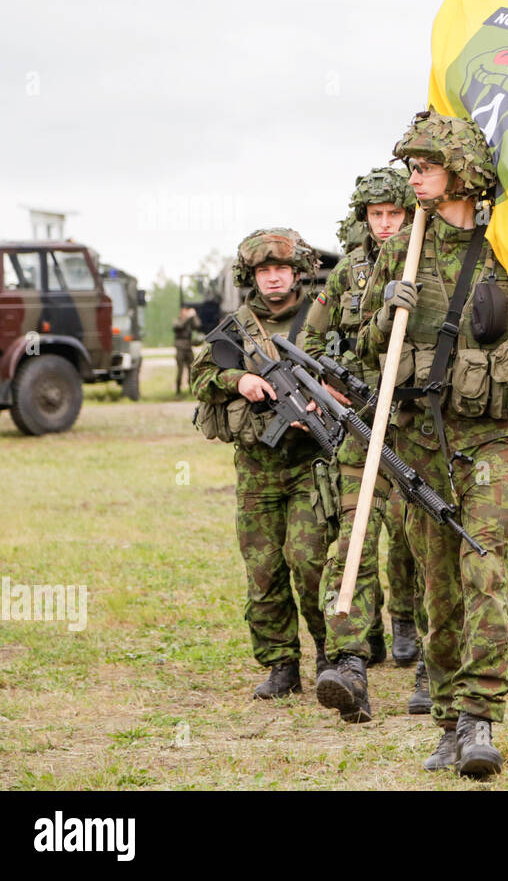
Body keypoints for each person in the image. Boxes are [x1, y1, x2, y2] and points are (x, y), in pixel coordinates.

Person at [357, 111, 508, 777]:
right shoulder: (401, 248)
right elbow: (367, 340)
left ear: (461, 173)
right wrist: (384, 312)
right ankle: (450, 718)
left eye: (425, 165)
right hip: (421, 441)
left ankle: (483, 714)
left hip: (493, 441)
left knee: (485, 572)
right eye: (410, 167)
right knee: (440, 588)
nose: (415, 176)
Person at [190, 229, 332, 700]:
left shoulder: (321, 319)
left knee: (309, 560)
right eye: (264, 271)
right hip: (256, 467)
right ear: (251, 277)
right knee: (264, 569)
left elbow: (348, 374)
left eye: (282, 270)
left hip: (310, 463)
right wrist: (240, 380)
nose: (274, 278)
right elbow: (202, 376)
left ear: (298, 273)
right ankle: (281, 665)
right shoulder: (237, 326)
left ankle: (332, 654)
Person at [303, 168, 423, 723]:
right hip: (359, 425)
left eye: (393, 214)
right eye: (375, 215)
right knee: (351, 542)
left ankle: (433, 663)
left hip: (419, 426)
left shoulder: (434, 262)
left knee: (422, 545)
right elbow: (309, 339)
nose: (384, 224)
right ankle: (348, 664)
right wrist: (321, 383)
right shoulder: (347, 274)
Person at [172, 307, 203, 395]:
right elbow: (179, 326)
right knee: (180, 370)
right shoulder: (177, 321)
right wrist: (189, 317)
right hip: (180, 348)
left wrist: (194, 316)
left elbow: (198, 325)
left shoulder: (189, 322)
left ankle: (191, 388)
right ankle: (178, 389)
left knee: (191, 368)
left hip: (188, 347)